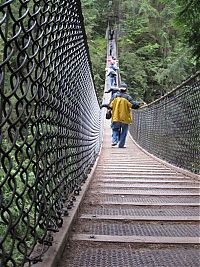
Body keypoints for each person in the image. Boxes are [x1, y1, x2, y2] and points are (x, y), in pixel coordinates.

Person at [108, 83, 145, 148]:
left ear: (119, 89)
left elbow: (110, 106)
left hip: (116, 117)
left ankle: (114, 141)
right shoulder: (128, 97)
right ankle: (121, 145)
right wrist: (141, 104)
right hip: (125, 118)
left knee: (115, 129)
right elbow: (134, 105)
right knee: (124, 132)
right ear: (126, 90)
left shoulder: (114, 96)